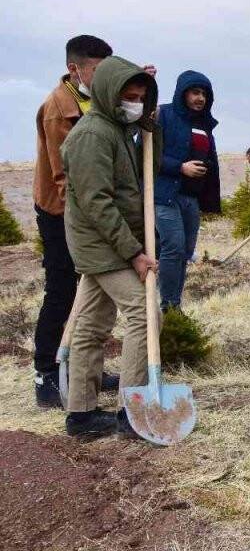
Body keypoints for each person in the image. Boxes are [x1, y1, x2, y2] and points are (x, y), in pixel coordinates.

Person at [59, 56, 159, 440]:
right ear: (107, 95)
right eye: (128, 97)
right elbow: (97, 202)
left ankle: (81, 415)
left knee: (91, 326)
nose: (133, 103)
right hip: (101, 245)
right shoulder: (92, 136)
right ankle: (131, 413)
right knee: (144, 312)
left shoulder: (116, 129)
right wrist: (133, 252)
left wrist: (148, 113)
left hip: (110, 242)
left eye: (139, 97)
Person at [31, 35, 121, 407]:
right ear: (75, 68)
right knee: (63, 289)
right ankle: (46, 375)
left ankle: (88, 370)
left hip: (89, 207)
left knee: (94, 289)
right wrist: (89, 221)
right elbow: (63, 175)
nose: (102, 80)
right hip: (60, 211)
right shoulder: (57, 108)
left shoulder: (93, 99)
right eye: (98, 72)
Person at [154, 71, 221, 309]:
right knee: (172, 246)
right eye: (195, 92)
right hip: (165, 195)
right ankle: (167, 305)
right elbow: (145, 154)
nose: (200, 98)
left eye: (204, 94)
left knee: (185, 251)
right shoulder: (163, 115)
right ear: (183, 93)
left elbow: (208, 157)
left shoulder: (204, 125)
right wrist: (180, 167)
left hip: (191, 198)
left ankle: (174, 303)